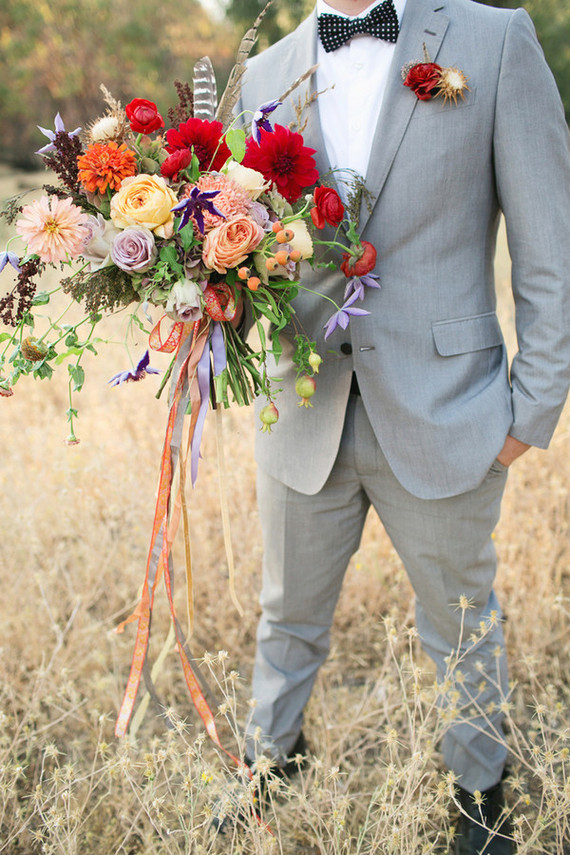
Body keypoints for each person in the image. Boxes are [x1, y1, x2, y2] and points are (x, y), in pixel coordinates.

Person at [235, 0, 570, 851]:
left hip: (449, 404)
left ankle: (480, 793)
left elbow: (550, 248)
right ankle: (270, 762)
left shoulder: (494, 42)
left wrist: (532, 406)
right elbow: (247, 248)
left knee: (462, 620)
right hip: (304, 404)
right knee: (286, 613)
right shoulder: (265, 74)